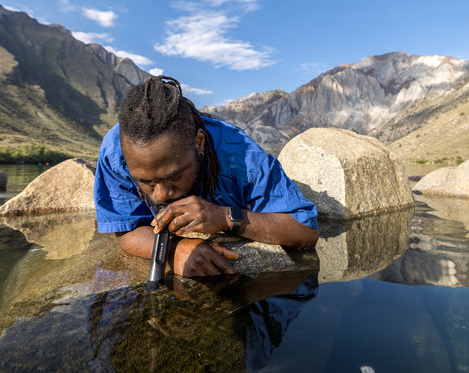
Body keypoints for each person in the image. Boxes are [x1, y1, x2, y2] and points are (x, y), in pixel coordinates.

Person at [93, 76, 319, 278]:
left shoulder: (243, 159)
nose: (160, 194)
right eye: (146, 182)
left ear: (199, 143)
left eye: (172, 177)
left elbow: (306, 231)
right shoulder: (116, 152)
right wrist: (175, 250)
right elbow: (126, 227)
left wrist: (225, 217)